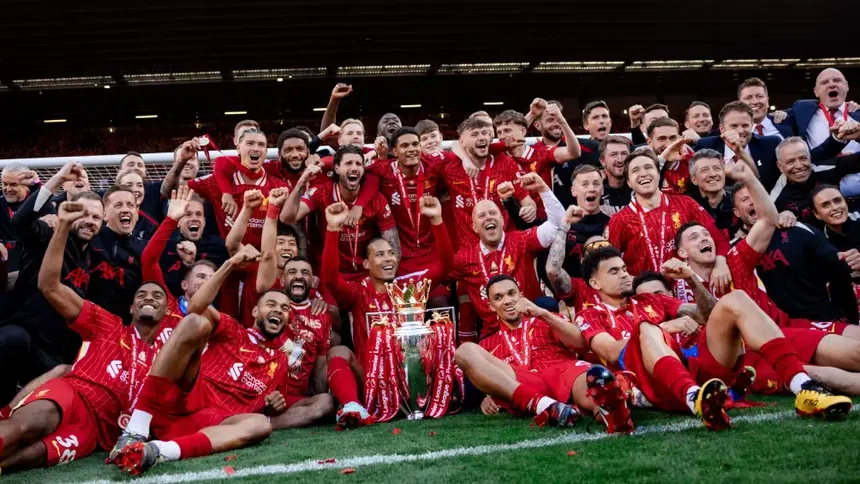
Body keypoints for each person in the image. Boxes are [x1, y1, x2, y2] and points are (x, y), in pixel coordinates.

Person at [576, 246, 852, 427]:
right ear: (594, 282)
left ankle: (803, 388)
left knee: (736, 299)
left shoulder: (651, 299)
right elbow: (611, 351)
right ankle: (693, 398)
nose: (625, 275)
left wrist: (692, 279)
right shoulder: (588, 314)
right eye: (614, 271)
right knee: (646, 329)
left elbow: (709, 314)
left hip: (694, 365)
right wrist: (665, 327)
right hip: (655, 384)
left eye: (625, 268)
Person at [0, 200, 176, 474]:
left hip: (96, 430)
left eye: (157, 296)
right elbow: (49, 286)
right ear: (131, 307)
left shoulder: (167, 358)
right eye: (141, 294)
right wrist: (62, 226)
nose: (149, 298)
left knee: (33, 455)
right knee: (30, 424)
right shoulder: (108, 323)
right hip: (74, 395)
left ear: (167, 311)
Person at [109, 246, 291, 475]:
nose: (278, 310)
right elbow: (195, 307)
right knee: (196, 322)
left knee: (261, 424)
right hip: (188, 399)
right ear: (255, 312)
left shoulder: (281, 361)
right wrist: (230, 264)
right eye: (271, 304)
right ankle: (135, 430)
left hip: (217, 424)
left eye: (285, 308)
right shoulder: (234, 331)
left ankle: (157, 451)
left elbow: (278, 408)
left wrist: (275, 405)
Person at [321, 198, 452, 429]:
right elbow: (330, 279)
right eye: (380, 254)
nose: (389, 258)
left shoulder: (410, 290)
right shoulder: (358, 293)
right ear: (365, 263)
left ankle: (424, 400)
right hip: (371, 381)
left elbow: (446, 266)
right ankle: (354, 407)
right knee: (338, 351)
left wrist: (437, 221)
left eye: (391, 253)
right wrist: (332, 229)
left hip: (411, 379)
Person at [455, 275, 636, 433]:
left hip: (564, 372)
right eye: (498, 297)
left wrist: (542, 313)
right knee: (465, 351)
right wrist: (490, 394)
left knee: (593, 381)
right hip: (525, 383)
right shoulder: (488, 343)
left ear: (521, 296)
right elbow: (490, 373)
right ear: (491, 306)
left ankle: (613, 414)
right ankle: (545, 406)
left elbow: (580, 344)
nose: (507, 300)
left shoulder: (546, 319)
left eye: (511, 293)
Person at [1, 163, 100, 406]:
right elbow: (20, 223)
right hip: (22, 339)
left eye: (96, 217)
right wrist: (56, 180)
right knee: (13, 339)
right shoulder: (50, 233)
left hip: (51, 354)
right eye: (83, 214)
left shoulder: (93, 255)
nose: (89, 221)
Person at [729, 177, 859, 323]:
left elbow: (839, 269)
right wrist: (719, 263)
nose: (753, 201)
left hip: (820, 321)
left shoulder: (798, 229)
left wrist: (853, 261)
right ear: (737, 212)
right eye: (745, 199)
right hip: (772, 328)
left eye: (756, 195)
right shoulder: (733, 251)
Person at [449, 173, 563, 339]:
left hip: (530, 329)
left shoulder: (521, 240)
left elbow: (556, 226)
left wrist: (542, 188)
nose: (488, 217)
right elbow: (444, 273)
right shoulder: (465, 258)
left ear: (502, 220)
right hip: (493, 336)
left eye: (493, 213)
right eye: (482, 216)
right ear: (474, 227)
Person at [605, 150, 731, 289]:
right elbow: (608, 264)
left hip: (689, 290)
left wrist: (721, 263)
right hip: (647, 295)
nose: (643, 174)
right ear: (629, 182)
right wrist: (635, 282)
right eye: (635, 170)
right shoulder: (620, 220)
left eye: (648, 167)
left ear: (658, 174)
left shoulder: (685, 204)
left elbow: (717, 238)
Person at [281, 144, 400, 282]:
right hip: (332, 275)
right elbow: (287, 218)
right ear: (336, 168)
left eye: (358, 164)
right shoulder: (322, 192)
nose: (354, 168)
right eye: (348, 163)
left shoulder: (377, 199)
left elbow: (393, 246)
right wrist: (301, 182)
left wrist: (386, 280)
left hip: (367, 275)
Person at [430, 117, 534, 251]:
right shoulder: (450, 168)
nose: (481, 137)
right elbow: (453, 145)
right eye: (474, 134)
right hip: (470, 251)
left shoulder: (505, 163)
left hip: (504, 249)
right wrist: (465, 158)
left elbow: (527, 201)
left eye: (485, 133)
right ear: (462, 141)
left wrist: (530, 210)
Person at [541, 165, 610, 289]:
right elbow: (551, 270)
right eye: (585, 184)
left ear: (602, 190)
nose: (591, 189)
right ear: (574, 191)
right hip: (574, 293)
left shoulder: (613, 223)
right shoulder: (561, 226)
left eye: (596, 184)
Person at [87, 186, 146, 320]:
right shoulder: (89, 237)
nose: (125, 209)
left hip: (124, 326)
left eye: (130, 205)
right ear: (104, 214)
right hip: (86, 320)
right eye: (118, 205)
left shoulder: (145, 249)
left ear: (137, 213)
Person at [695, 101, 780, 190]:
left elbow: (763, 183)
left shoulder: (770, 144)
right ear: (722, 129)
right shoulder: (706, 145)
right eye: (734, 126)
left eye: (745, 125)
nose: (740, 131)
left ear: (752, 126)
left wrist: (739, 151)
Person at [772, 136, 860, 220]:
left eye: (803, 158)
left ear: (810, 158)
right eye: (790, 162)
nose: (799, 166)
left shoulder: (823, 169)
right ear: (780, 166)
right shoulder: (775, 197)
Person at [687, 149, 743, 241]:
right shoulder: (686, 205)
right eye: (704, 170)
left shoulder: (739, 199)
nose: (712, 174)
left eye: (717, 168)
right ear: (694, 179)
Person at [0, 163, 39, 280]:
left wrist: (36, 185)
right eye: (4, 184)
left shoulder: (37, 203)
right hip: (7, 264)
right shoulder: (0, 203)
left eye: (13, 184)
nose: (8, 189)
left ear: (26, 186)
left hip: (33, 265)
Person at [645, 117, 694, 194]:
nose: (668, 145)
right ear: (649, 142)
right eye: (662, 139)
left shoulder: (690, 161)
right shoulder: (641, 162)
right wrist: (662, 160)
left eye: (673, 138)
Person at [118, 152, 164, 222]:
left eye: (140, 165)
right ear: (120, 171)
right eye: (131, 164)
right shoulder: (107, 198)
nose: (136, 168)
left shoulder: (156, 190)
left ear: (145, 171)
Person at [116, 168, 158, 241]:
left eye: (140, 185)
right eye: (129, 185)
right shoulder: (104, 219)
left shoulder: (151, 225)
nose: (136, 189)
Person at [598, 135, 633, 215]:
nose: (620, 160)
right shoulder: (596, 191)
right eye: (614, 154)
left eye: (624, 154)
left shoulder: (639, 188)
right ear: (603, 161)